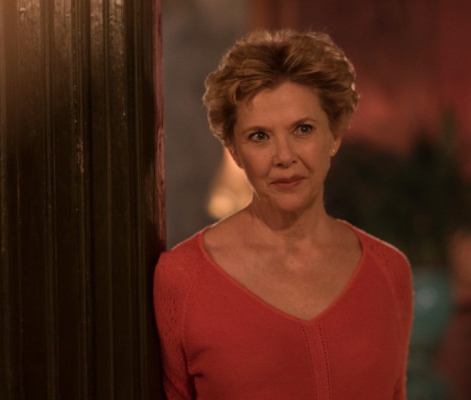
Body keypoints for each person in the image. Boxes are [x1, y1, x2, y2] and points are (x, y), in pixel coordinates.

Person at [153, 29, 413, 400]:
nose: (284, 157)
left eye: (303, 129)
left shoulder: (388, 270)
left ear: (334, 135)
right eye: (259, 136)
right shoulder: (182, 278)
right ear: (234, 150)